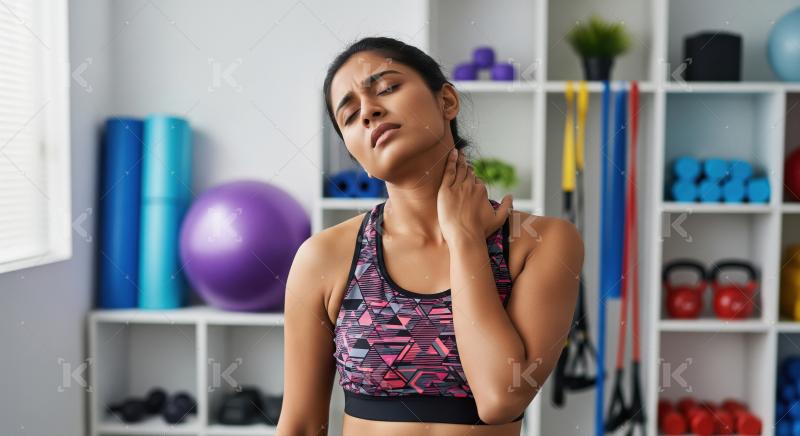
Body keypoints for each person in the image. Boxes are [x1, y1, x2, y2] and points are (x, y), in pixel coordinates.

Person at [277, 36, 583, 436]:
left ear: (447, 102)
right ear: (359, 158)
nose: (368, 111)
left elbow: (500, 399)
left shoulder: (541, 242)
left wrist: (465, 240)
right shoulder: (324, 256)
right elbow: (300, 425)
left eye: (386, 88)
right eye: (350, 116)